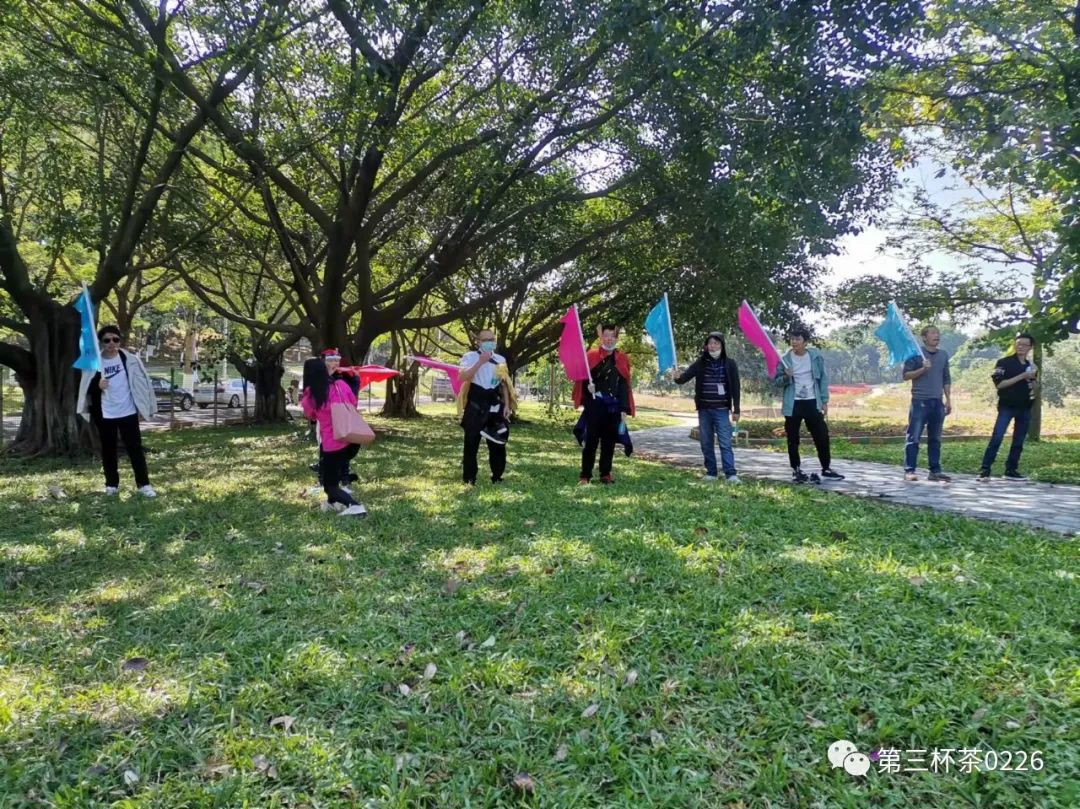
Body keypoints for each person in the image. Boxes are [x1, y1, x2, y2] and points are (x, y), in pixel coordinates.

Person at [76, 325, 158, 497]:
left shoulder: (131, 360)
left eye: (115, 339)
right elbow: (84, 389)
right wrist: (97, 385)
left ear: (120, 341)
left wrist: (144, 408)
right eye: (107, 340)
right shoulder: (94, 363)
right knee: (108, 450)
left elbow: (143, 384)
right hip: (105, 413)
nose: (111, 343)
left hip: (128, 411)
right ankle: (111, 485)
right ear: (101, 342)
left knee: (135, 448)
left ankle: (144, 485)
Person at [773, 327, 844, 484]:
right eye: (792, 339)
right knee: (792, 438)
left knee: (821, 435)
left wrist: (824, 401)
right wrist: (786, 377)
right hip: (793, 404)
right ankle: (796, 469)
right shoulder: (785, 360)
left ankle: (826, 468)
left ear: (805, 341)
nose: (794, 342)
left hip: (812, 401)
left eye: (798, 339)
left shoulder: (815, 357)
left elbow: (822, 379)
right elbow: (777, 382)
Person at [300, 357, 368, 517]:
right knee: (334, 475)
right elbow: (353, 402)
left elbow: (310, 415)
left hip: (332, 443)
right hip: (351, 439)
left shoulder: (311, 393)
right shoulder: (341, 385)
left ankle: (355, 506)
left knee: (329, 486)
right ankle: (332, 503)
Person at [672, 331, 741, 483]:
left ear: (722, 345)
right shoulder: (700, 362)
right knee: (706, 443)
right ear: (706, 346)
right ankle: (711, 473)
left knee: (725, 442)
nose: (713, 346)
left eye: (716, 343)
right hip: (704, 410)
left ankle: (731, 474)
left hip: (722, 410)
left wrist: (736, 409)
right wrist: (676, 377)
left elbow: (736, 387)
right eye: (710, 343)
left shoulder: (730, 363)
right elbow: (683, 379)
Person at [573, 324, 635, 484]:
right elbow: (583, 378)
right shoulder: (591, 355)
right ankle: (585, 475)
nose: (609, 339)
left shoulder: (622, 358)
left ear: (616, 338)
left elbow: (623, 385)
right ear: (601, 337)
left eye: (612, 336)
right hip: (595, 404)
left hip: (613, 407)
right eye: (606, 336)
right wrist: (588, 388)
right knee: (591, 441)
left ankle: (605, 474)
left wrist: (623, 408)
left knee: (609, 442)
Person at [978, 333, 1038, 482]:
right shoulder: (1003, 362)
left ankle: (1011, 470)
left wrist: (1032, 378)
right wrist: (1021, 376)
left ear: (1030, 347)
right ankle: (985, 469)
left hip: (1025, 407)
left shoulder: (1031, 366)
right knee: (997, 437)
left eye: (1024, 345)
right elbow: (999, 384)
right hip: (1007, 406)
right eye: (1018, 344)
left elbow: (1035, 389)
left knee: (1019, 440)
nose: (1021, 347)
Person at [458, 328, 514, 485]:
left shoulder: (500, 359)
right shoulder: (469, 357)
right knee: (471, 443)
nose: (490, 342)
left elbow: (504, 383)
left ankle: (497, 476)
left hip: (494, 405)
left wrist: (507, 405)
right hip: (475, 405)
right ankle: (469, 478)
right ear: (478, 342)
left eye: (492, 339)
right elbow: (463, 376)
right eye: (485, 340)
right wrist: (480, 362)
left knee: (498, 443)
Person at [902, 325, 953, 482]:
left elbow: (946, 378)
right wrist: (922, 369)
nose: (936, 336)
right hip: (920, 402)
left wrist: (948, 399)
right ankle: (910, 470)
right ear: (924, 337)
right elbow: (906, 375)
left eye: (938, 333)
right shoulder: (916, 355)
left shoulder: (943, 355)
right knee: (914, 437)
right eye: (933, 333)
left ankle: (935, 471)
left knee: (935, 438)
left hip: (937, 402)